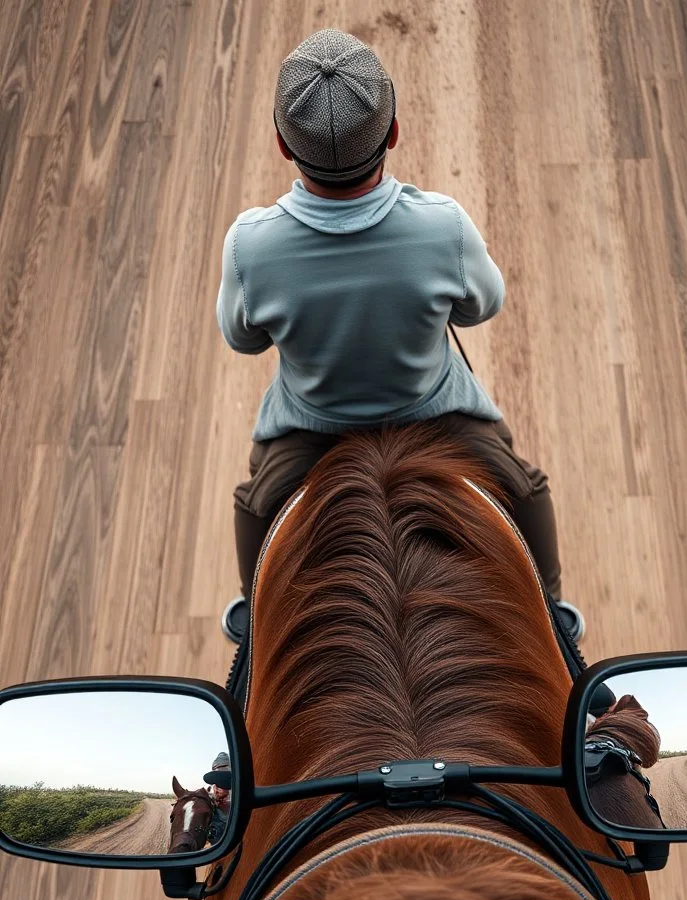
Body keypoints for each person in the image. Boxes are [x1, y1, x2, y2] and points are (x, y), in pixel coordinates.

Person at [217, 27, 585, 645]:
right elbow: (481, 307)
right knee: (524, 489)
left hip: (308, 432)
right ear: (393, 131)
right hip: (438, 417)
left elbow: (243, 339)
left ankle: (255, 628)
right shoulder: (443, 224)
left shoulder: (251, 244)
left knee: (256, 506)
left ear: (282, 144)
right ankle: (553, 615)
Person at [206, 751, 232, 846]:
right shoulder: (211, 811)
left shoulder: (240, 808)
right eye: (214, 783)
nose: (216, 789)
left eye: (221, 781)